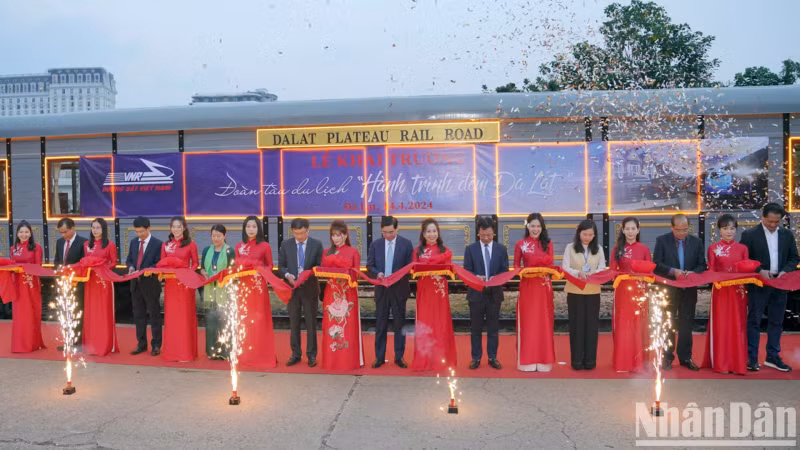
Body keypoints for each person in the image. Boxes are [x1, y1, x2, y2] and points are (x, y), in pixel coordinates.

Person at [740, 202, 798, 372]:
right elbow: (745, 260)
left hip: (780, 283)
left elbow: (794, 258)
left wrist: (785, 271)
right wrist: (759, 270)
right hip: (759, 283)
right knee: (754, 320)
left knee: (777, 321)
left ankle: (772, 356)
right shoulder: (749, 234)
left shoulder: (787, 235)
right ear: (762, 217)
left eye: (777, 222)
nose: (773, 225)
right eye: (770, 221)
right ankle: (751, 357)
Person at [653, 213, 707, 371]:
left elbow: (702, 265)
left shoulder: (696, 242)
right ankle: (667, 357)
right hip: (669, 288)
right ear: (672, 227)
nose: (682, 233)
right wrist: (672, 271)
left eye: (685, 230)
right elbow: (656, 264)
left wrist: (692, 273)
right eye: (678, 230)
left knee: (686, 324)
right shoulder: (662, 241)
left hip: (689, 289)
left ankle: (685, 357)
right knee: (667, 323)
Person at [701, 214, 749, 375]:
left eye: (732, 228)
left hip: (738, 292)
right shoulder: (713, 248)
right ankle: (721, 363)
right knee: (721, 326)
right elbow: (711, 271)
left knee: (738, 325)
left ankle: (738, 363)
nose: (729, 231)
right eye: (725, 228)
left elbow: (746, 269)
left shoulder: (743, 249)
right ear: (719, 230)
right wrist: (718, 281)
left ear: (736, 230)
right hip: (720, 291)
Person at [366, 215, 413, 369]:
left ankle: (399, 357)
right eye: (385, 232)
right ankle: (379, 357)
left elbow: (410, 268)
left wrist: (398, 276)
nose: (388, 235)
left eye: (391, 232)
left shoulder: (406, 244)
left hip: (399, 290)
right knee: (381, 324)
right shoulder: (376, 244)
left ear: (397, 229)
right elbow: (370, 265)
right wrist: (377, 273)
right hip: (382, 290)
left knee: (400, 325)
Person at [463, 216, 508, 370]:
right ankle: (475, 358)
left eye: (489, 235)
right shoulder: (470, 249)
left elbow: (505, 271)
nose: (486, 238)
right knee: (475, 328)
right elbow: (466, 271)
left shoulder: (501, 249)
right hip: (476, 294)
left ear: (493, 233)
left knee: (493, 328)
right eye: (483, 235)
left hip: (494, 294)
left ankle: (492, 357)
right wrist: (476, 277)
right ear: (478, 233)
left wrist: (497, 278)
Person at [412, 218, 457, 371]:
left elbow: (446, 267)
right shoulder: (417, 251)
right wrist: (434, 262)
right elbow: (416, 269)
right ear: (423, 234)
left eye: (434, 231)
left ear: (438, 233)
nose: (432, 234)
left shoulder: (445, 250)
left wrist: (431, 262)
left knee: (440, 323)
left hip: (440, 293)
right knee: (425, 323)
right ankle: (425, 360)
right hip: (424, 291)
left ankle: (441, 360)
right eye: (428, 231)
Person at [278, 218, 323, 367]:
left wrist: (308, 273)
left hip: (309, 289)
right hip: (292, 289)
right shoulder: (286, 244)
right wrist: (287, 275)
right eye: (297, 234)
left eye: (302, 233)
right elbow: (281, 266)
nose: (300, 237)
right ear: (292, 232)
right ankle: (295, 354)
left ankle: (311, 355)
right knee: (294, 323)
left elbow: (320, 267)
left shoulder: (316, 245)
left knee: (311, 323)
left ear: (308, 230)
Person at [562, 219, 606, 370]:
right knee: (576, 325)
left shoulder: (598, 248)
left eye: (591, 235)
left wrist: (594, 273)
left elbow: (602, 267)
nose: (587, 237)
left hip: (593, 290)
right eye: (585, 234)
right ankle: (576, 361)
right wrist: (577, 273)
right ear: (579, 233)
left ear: (594, 235)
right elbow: (565, 268)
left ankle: (590, 361)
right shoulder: (570, 248)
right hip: (575, 290)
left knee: (591, 326)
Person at [514, 213, 556, 372]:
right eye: (533, 226)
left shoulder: (548, 244)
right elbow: (516, 267)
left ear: (542, 227)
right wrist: (526, 271)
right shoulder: (520, 244)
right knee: (528, 321)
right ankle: (527, 359)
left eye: (538, 226)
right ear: (528, 226)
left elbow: (551, 265)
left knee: (544, 321)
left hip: (544, 287)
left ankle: (544, 359)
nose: (535, 229)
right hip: (528, 287)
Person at [320, 220, 364, 370]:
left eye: (339, 235)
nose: (336, 238)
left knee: (348, 326)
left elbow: (356, 274)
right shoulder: (326, 252)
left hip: (347, 294)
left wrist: (345, 273)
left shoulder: (353, 252)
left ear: (345, 235)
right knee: (331, 326)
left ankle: (347, 361)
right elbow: (323, 270)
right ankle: (331, 360)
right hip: (331, 294)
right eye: (333, 235)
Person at [235, 216, 277, 369]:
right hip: (243, 287)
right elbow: (236, 266)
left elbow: (270, 265)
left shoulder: (265, 246)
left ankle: (261, 354)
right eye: (248, 226)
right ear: (244, 229)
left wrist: (260, 272)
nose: (251, 229)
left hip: (258, 287)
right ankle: (246, 355)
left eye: (254, 226)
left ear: (258, 228)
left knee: (259, 319)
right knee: (245, 320)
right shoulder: (239, 246)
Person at [610, 216, 651, 372]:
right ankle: (623, 362)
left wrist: (642, 275)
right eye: (627, 228)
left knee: (638, 324)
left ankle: (639, 362)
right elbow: (613, 270)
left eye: (633, 228)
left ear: (638, 230)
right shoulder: (617, 249)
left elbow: (650, 271)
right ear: (623, 230)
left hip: (640, 291)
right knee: (624, 325)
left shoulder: (644, 249)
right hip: (623, 292)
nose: (630, 232)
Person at [160, 216, 199, 362]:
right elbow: (161, 264)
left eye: (179, 226)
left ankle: (185, 353)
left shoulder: (191, 244)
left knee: (184, 318)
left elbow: (195, 264)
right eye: (173, 226)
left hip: (185, 286)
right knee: (172, 318)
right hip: (170, 286)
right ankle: (172, 353)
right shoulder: (166, 245)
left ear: (184, 228)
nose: (176, 229)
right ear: (170, 228)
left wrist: (187, 274)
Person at [127, 216, 163, 356]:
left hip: (151, 284)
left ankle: (156, 345)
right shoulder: (133, 243)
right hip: (135, 284)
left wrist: (147, 271)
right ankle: (141, 344)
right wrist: (130, 268)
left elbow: (159, 263)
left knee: (154, 315)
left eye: (142, 232)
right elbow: (130, 259)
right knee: (139, 315)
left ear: (148, 229)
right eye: (137, 232)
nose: (139, 235)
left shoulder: (157, 244)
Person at [82, 218, 118, 356]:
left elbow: (114, 262)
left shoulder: (109, 245)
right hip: (90, 282)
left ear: (103, 229)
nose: (95, 230)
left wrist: (101, 268)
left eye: (98, 228)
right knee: (91, 312)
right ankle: (91, 345)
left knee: (103, 312)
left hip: (103, 282)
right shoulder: (86, 245)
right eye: (93, 227)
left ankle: (104, 345)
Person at [199, 224, 235, 360]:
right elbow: (202, 268)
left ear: (224, 236)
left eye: (219, 236)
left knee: (224, 321)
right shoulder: (207, 250)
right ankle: (212, 351)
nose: (216, 238)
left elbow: (232, 271)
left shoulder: (229, 251)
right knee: (211, 321)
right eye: (213, 236)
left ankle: (226, 351)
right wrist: (204, 274)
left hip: (224, 289)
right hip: (209, 288)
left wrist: (223, 278)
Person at [9, 221, 45, 353]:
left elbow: (38, 267)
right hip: (18, 284)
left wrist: (23, 268)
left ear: (30, 233)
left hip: (31, 284)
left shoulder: (36, 247)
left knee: (31, 312)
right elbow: (12, 266)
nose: (23, 235)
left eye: (26, 232)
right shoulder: (14, 248)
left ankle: (32, 344)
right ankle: (19, 345)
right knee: (19, 314)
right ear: (17, 234)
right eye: (21, 232)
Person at [53, 217, 87, 351]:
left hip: (77, 283)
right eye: (61, 232)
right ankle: (68, 339)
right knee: (65, 311)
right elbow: (57, 260)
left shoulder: (83, 242)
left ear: (73, 228)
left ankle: (77, 340)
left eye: (65, 232)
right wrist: (58, 269)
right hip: (63, 282)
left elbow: (84, 263)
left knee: (77, 311)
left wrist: (71, 271)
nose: (63, 235)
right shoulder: (60, 242)